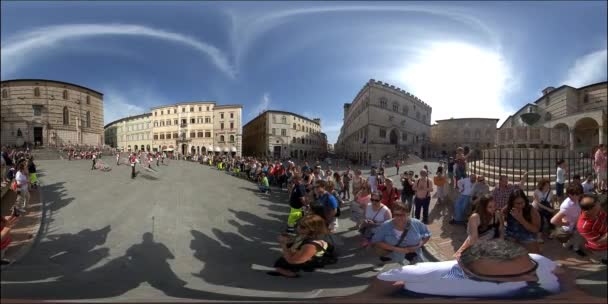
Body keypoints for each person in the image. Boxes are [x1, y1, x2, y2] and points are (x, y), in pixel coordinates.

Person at [375, 239, 561, 298]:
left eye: (530, 270)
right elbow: (387, 278)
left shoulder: (538, 262)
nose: (531, 277)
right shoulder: (432, 272)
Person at [268, 214, 334, 278]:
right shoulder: (307, 234)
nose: (298, 228)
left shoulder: (311, 245)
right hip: (304, 254)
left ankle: (292, 273)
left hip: (311, 261)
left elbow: (292, 260)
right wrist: (288, 239)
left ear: (312, 229)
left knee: (282, 264)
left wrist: (283, 244)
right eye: (297, 224)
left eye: (302, 227)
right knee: (286, 257)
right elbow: (296, 240)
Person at [371, 202, 431, 271]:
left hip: (414, 254)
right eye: (396, 214)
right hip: (393, 255)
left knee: (418, 272)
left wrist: (418, 246)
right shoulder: (386, 226)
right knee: (392, 275)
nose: (399, 217)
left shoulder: (416, 223)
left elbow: (427, 234)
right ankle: (385, 263)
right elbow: (376, 241)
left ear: (408, 214)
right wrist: (397, 249)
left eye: (402, 215)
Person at [550, 183, 585, 256]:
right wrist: (566, 223)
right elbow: (553, 220)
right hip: (569, 227)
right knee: (576, 235)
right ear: (570, 194)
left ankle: (575, 247)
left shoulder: (578, 199)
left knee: (578, 235)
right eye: (575, 194)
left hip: (576, 223)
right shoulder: (567, 206)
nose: (578, 196)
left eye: (579, 194)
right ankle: (570, 244)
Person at [504, 189, 541, 254]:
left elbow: (536, 229)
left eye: (522, 202)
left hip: (527, 236)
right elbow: (501, 220)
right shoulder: (508, 209)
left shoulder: (531, 210)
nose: (520, 205)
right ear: (512, 203)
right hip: (511, 236)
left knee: (535, 257)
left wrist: (521, 219)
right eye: (518, 203)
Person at [577, 194, 607, 265]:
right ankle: (599, 260)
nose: (600, 207)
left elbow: (605, 216)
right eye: (597, 207)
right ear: (587, 211)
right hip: (601, 248)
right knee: (604, 257)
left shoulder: (597, 211)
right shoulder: (583, 226)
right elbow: (599, 242)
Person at [532, 178, 556, 243]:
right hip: (537, 208)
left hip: (546, 208)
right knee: (541, 220)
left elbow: (552, 201)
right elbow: (538, 203)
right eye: (546, 185)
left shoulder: (550, 192)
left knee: (552, 218)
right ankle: (539, 236)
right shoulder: (536, 192)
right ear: (542, 185)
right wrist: (549, 209)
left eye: (548, 185)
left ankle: (551, 232)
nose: (548, 186)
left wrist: (552, 208)